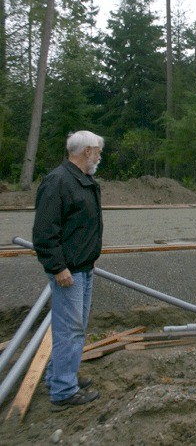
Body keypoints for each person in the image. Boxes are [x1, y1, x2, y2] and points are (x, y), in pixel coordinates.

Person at [33, 130, 104, 411]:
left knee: (75, 328)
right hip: (68, 272)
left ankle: (58, 377)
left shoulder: (83, 181)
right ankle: (64, 391)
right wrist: (58, 267)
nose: (99, 156)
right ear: (86, 151)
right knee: (70, 330)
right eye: (97, 151)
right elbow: (44, 232)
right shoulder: (58, 182)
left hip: (84, 268)